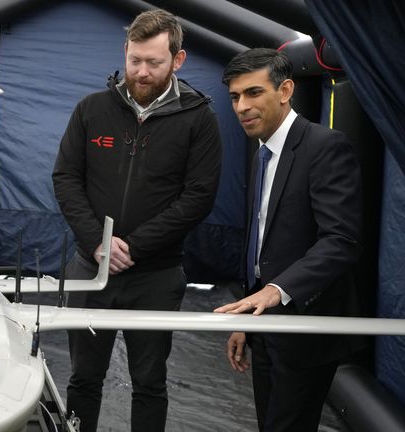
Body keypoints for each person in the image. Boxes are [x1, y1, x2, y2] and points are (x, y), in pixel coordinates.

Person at [52, 9, 222, 432]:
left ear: (177, 61)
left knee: (150, 381)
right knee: (84, 378)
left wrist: (137, 246)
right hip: (91, 270)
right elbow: (66, 178)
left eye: (154, 63)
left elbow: (198, 197)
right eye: (134, 60)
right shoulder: (91, 109)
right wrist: (98, 242)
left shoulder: (199, 118)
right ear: (125, 53)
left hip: (156, 275)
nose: (141, 73)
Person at [214, 48, 364, 431]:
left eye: (253, 93)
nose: (242, 106)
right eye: (235, 97)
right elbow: (262, 241)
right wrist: (247, 314)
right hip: (265, 327)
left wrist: (278, 289)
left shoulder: (325, 147)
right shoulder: (261, 151)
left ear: (285, 90)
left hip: (306, 330)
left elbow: (341, 240)